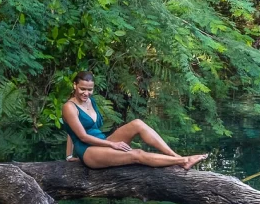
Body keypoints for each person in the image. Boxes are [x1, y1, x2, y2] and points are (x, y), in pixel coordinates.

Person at [61, 71, 207, 170]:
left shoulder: (90, 101)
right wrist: (113, 144)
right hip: (89, 152)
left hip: (102, 142)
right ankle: (184, 161)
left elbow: (70, 129)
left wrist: (68, 155)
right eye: (82, 89)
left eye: (90, 89)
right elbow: (81, 136)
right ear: (74, 85)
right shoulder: (69, 107)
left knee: (137, 123)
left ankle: (176, 156)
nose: (86, 93)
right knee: (136, 154)